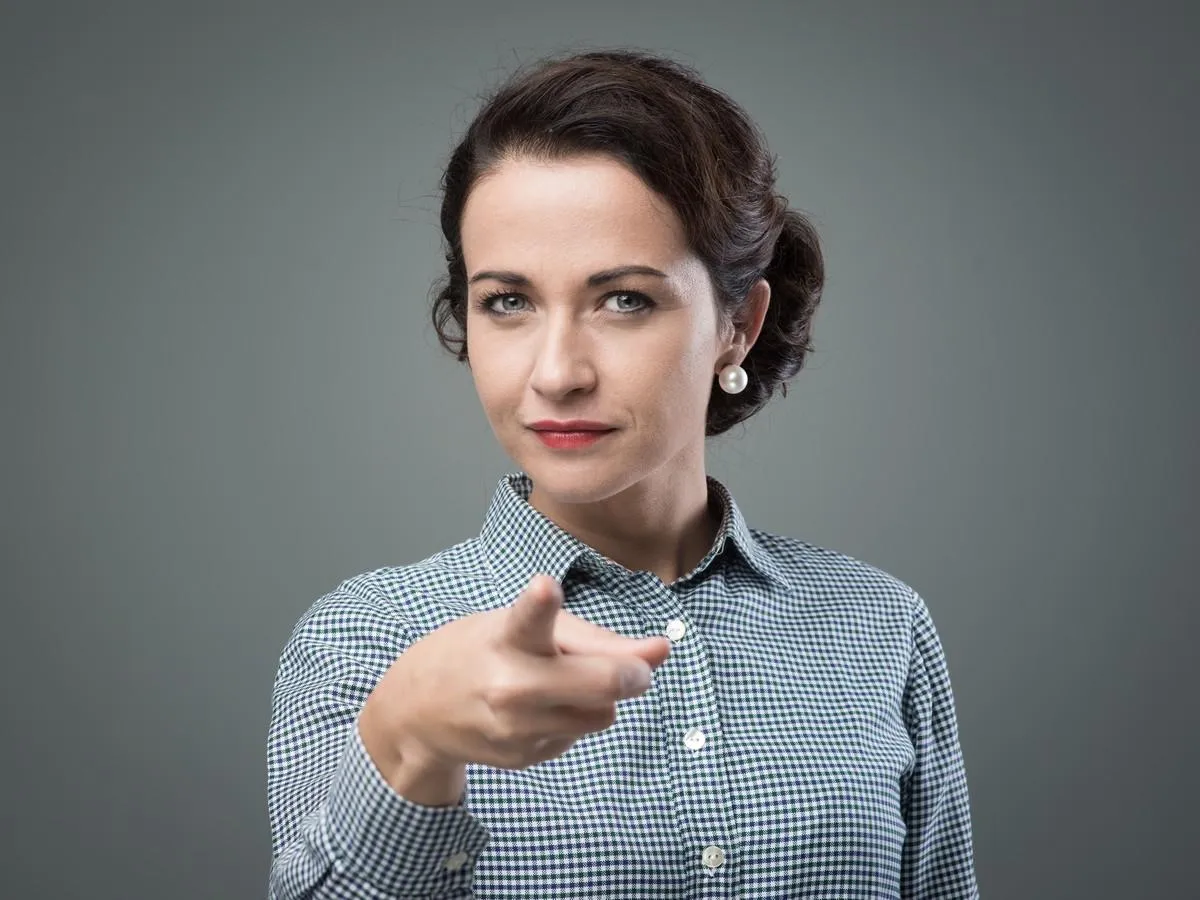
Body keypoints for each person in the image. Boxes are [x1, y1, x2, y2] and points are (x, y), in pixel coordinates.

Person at [266, 48, 978, 899]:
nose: (557, 372)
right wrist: (408, 741)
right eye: (509, 302)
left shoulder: (879, 626)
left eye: (625, 299)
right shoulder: (364, 640)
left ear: (738, 325)